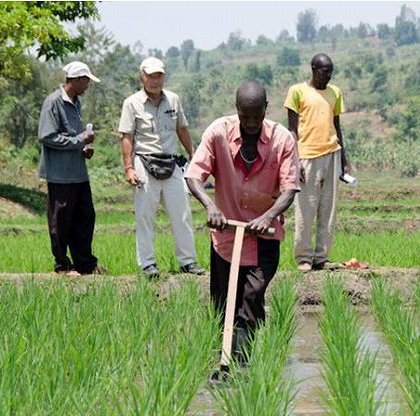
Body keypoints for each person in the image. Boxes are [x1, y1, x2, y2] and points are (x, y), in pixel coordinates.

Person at [185, 81, 299, 362]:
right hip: (226, 237)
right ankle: (223, 358)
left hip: (264, 237)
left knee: (251, 297)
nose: (250, 123)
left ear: (265, 110)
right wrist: (211, 206)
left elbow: (290, 189)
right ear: (237, 109)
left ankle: (240, 363)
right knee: (224, 304)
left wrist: (268, 215)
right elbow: (193, 175)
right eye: (244, 116)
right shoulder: (218, 133)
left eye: (256, 116)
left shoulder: (282, 139)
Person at [118, 57, 205, 278]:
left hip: (171, 161)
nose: (155, 81)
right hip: (144, 162)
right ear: (142, 77)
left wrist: (193, 156)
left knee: (182, 213)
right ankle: (147, 264)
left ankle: (188, 261)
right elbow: (127, 137)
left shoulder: (173, 100)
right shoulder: (132, 103)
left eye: (159, 76)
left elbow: (182, 129)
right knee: (145, 216)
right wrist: (129, 168)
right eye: (151, 76)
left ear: (164, 77)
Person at [38, 61, 105, 276]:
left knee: (85, 216)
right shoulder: (53, 103)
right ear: (76, 80)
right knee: (61, 220)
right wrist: (79, 140)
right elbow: (47, 136)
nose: (87, 86)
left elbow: (75, 137)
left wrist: (84, 147)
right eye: (86, 81)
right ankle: (62, 265)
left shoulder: (76, 103)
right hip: (60, 174)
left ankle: (85, 263)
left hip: (78, 172)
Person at [284, 53, 349, 271]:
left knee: (327, 209)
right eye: (324, 71)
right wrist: (295, 159)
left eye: (331, 71)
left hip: (332, 153)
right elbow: (292, 129)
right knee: (306, 208)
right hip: (306, 156)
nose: (328, 76)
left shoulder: (335, 93)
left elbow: (336, 126)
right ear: (313, 69)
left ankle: (321, 257)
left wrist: (344, 160)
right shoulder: (297, 91)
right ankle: (303, 257)